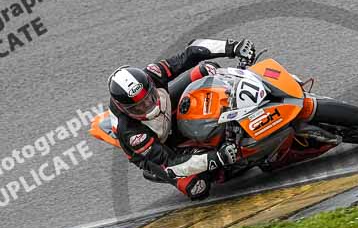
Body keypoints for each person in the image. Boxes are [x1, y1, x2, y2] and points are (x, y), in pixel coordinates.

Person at [107, 38, 256, 200]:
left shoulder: (153, 73)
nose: (148, 106)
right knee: (198, 188)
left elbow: (191, 53)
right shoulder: (131, 132)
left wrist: (232, 47)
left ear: (150, 84)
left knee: (207, 69)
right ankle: (216, 167)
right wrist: (216, 158)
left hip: (166, 109)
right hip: (155, 149)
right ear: (125, 110)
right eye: (138, 108)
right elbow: (171, 162)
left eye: (150, 98)